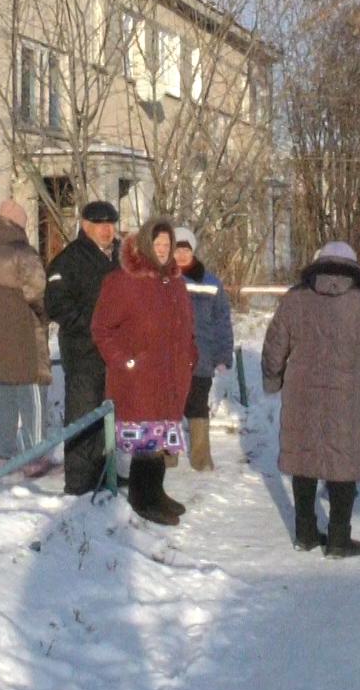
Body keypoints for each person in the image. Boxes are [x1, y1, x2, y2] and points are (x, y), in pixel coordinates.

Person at [261, 241, 360, 558]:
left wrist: (272, 379)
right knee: (343, 463)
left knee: (304, 460)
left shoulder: (295, 300)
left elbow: (274, 345)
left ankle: (305, 534)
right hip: (351, 401)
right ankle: (338, 539)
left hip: (302, 396)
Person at [90, 219, 198, 526]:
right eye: (158, 246)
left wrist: (191, 355)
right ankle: (142, 498)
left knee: (161, 440)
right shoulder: (123, 281)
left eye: (167, 246)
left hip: (170, 376)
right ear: (147, 246)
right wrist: (124, 360)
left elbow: (186, 326)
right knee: (146, 445)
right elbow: (101, 329)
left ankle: (157, 493)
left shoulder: (174, 283)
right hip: (139, 378)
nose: (163, 252)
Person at [0, 199, 55, 477]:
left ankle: (4, 455)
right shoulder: (23, 254)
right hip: (24, 335)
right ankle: (35, 454)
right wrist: (47, 317)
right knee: (32, 395)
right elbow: (38, 294)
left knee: (4, 396)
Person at [45, 201, 120, 496]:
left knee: (106, 413)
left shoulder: (117, 258)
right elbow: (57, 305)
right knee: (82, 412)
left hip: (112, 351)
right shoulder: (69, 260)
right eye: (101, 225)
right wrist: (92, 328)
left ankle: (103, 473)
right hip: (83, 349)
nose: (107, 230)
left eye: (111, 224)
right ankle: (78, 481)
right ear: (85, 226)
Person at [173, 227, 234, 472]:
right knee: (170, 406)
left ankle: (201, 458)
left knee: (197, 405)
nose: (181, 254)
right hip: (171, 357)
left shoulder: (210, 282)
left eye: (186, 249)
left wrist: (223, 355)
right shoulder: (163, 280)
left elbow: (221, 321)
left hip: (201, 356)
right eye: (177, 249)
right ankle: (167, 456)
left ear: (193, 251)